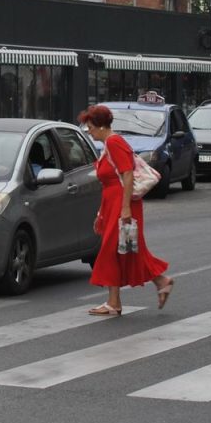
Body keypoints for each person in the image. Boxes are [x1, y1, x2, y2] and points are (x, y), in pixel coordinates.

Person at [80, 104, 173, 316]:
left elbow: (127, 173)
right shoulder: (109, 144)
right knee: (126, 250)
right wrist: (101, 213)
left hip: (122, 204)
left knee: (111, 251)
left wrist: (125, 208)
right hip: (114, 204)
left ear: (101, 126)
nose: (89, 132)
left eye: (90, 128)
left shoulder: (114, 143)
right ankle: (160, 282)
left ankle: (114, 302)